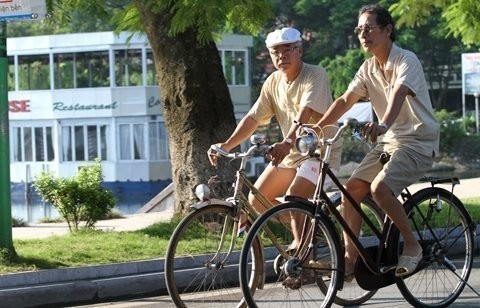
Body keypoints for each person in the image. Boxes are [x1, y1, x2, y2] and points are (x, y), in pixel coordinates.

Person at [313, 3, 439, 278]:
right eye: (359, 29)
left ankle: (412, 244)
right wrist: (316, 129)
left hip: (417, 140)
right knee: (352, 189)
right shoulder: (368, 68)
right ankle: (349, 258)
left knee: (380, 188)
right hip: (389, 141)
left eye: (369, 28)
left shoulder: (407, 59)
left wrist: (382, 124)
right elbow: (346, 100)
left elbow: (398, 93)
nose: (363, 34)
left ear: (388, 30)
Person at [208, 27, 342, 254]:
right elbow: (253, 118)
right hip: (291, 152)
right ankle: (312, 225)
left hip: (319, 151)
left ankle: (304, 255)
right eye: (275, 52)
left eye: (287, 50)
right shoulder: (273, 82)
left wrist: (287, 142)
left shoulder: (315, 74)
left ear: (300, 50)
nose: (282, 56)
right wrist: (227, 144)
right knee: (257, 201)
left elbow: (305, 113)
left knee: (296, 196)